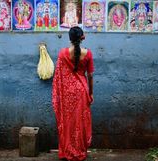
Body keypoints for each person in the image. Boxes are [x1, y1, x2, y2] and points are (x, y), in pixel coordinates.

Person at [52, 26, 94, 161]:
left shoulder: (62, 53)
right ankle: (79, 150)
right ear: (82, 37)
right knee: (80, 122)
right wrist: (91, 93)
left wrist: (59, 94)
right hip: (82, 91)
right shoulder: (88, 54)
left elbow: (58, 75)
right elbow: (90, 76)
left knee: (68, 122)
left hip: (67, 93)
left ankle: (67, 150)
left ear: (70, 38)